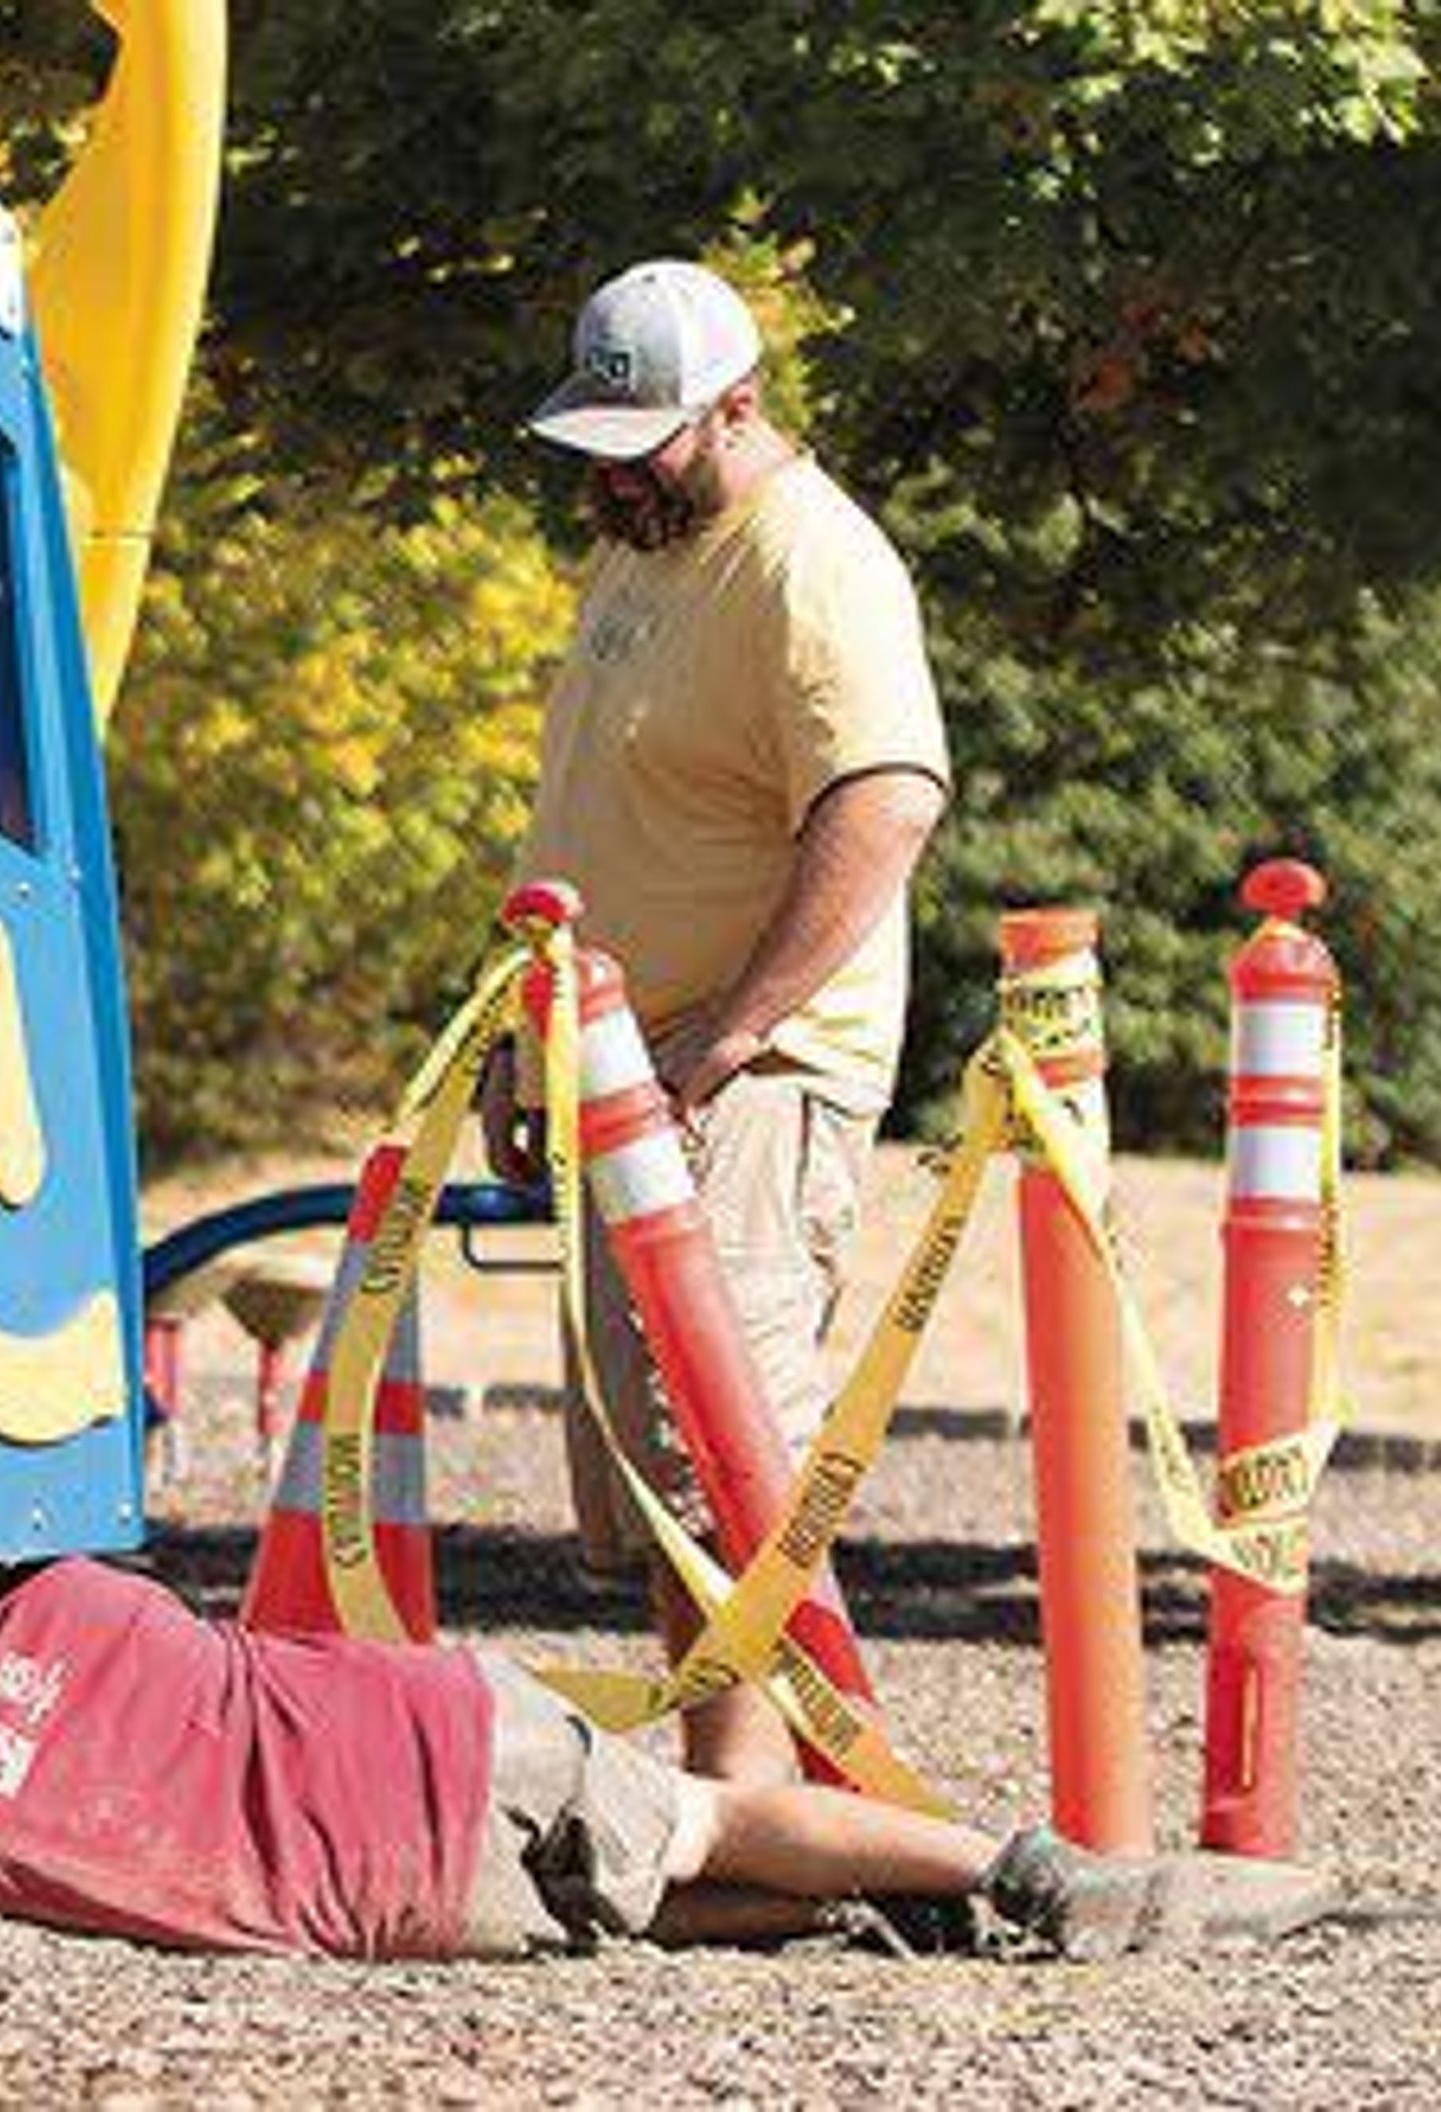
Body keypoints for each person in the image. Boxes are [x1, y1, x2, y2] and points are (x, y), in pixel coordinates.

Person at [481, 259, 953, 1784]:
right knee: (652, 1472)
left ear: (739, 405)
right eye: (599, 443)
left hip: (745, 1079)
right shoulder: (649, 544)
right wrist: (523, 1032)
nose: (614, 473)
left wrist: (736, 1035)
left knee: (731, 1456)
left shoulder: (812, 563)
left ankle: (752, 1813)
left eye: (648, 441)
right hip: (627, 1066)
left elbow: (884, 806)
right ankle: (739, 1798)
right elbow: (592, 807)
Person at [0, 1559, 1338, 1962]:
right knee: (706, 1810)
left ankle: (893, 1914)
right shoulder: (62, 1600)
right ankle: (1021, 1878)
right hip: (438, 1744)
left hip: (401, 1908)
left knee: (631, 1906)